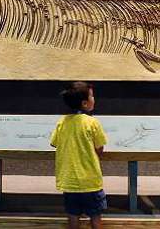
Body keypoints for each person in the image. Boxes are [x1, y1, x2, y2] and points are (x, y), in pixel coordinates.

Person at [50, 81, 108, 229]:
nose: (93, 99)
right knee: (95, 216)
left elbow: (55, 143)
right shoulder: (92, 123)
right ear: (85, 103)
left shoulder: (62, 122)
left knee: (73, 216)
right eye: (92, 96)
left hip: (69, 182)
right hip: (90, 181)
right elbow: (100, 147)